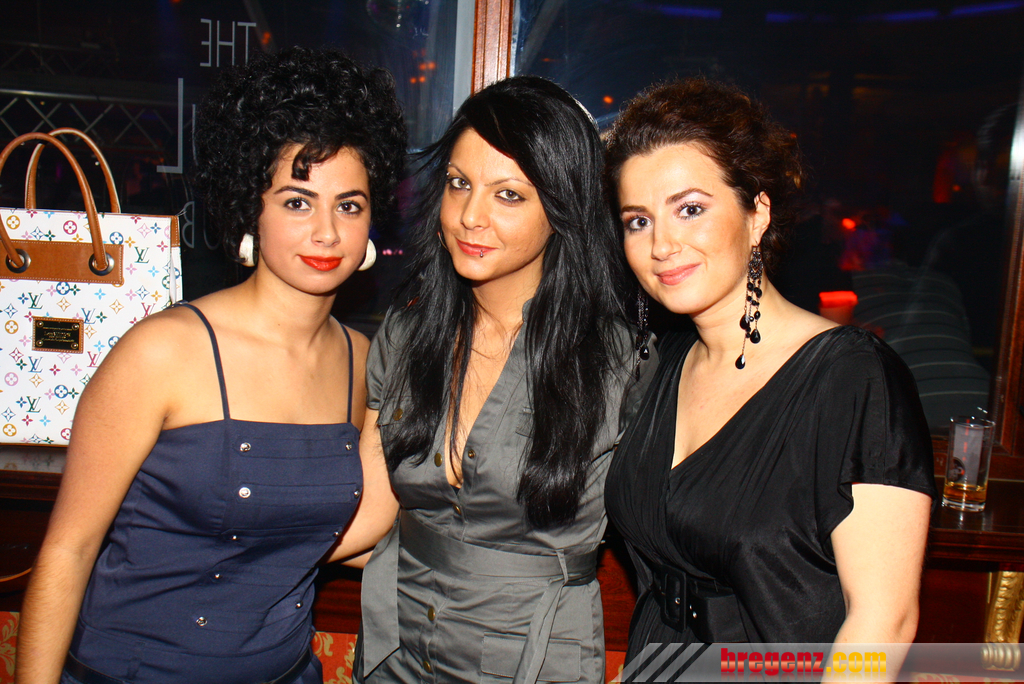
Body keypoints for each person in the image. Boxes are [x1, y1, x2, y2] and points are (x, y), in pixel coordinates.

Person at [15, 47, 406, 684]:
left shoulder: (366, 363)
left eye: (349, 205)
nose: (327, 233)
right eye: (297, 202)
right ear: (250, 207)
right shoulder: (163, 352)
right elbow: (69, 549)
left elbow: (342, 530)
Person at [602, 78, 936, 666]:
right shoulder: (659, 363)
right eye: (638, 220)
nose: (662, 244)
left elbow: (884, 619)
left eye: (690, 209)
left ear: (757, 213)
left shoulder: (852, 378)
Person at [346, 76, 654, 683]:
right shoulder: (407, 336)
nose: (470, 216)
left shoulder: (622, 362)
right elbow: (369, 515)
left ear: (562, 208)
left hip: (533, 659)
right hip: (396, 651)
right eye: (459, 184)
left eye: (508, 195)